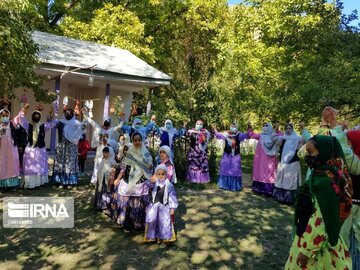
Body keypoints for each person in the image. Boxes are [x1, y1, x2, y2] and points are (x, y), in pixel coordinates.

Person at [284, 135, 352, 270]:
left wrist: (306, 250)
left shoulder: (327, 183)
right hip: (306, 237)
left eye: (311, 152)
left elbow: (322, 220)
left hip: (316, 246)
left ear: (325, 152)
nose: (307, 157)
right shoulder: (319, 174)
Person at [114, 132, 153, 231]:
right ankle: (127, 224)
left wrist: (143, 161)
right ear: (132, 141)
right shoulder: (128, 153)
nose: (137, 142)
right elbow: (123, 168)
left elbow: (150, 167)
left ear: (141, 141)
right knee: (128, 203)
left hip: (141, 182)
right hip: (128, 181)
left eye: (139, 140)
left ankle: (138, 223)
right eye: (135, 140)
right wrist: (118, 179)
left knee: (139, 203)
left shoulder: (146, 153)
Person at [14, 108, 56, 189]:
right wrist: (23, 109)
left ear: (40, 117)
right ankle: (30, 184)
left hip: (40, 149)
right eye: (35, 115)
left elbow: (52, 123)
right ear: (32, 116)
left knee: (39, 167)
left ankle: (39, 184)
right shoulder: (28, 125)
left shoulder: (43, 125)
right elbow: (21, 118)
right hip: (30, 149)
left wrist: (51, 115)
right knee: (30, 166)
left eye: (38, 115)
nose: (36, 116)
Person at [341, 130, 360, 269]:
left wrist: (334, 126)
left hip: (355, 213)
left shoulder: (356, 163)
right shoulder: (351, 162)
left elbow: (344, 151)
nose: (348, 145)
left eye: (350, 142)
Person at [144, 164, 178, 243]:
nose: (161, 176)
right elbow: (147, 184)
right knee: (152, 219)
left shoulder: (169, 185)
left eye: (163, 174)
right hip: (154, 206)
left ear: (166, 174)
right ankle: (152, 236)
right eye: (158, 174)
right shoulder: (154, 183)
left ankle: (164, 237)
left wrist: (172, 207)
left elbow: (172, 197)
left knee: (164, 221)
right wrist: (151, 180)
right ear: (156, 174)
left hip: (164, 207)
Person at [53, 108, 85, 188]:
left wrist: (78, 137)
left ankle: (70, 182)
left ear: (72, 114)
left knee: (70, 164)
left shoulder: (77, 123)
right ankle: (59, 181)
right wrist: (50, 116)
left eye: (69, 114)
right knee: (60, 163)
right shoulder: (60, 122)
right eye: (66, 113)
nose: (67, 115)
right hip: (61, 147)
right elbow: (51, 124)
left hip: (71, 147)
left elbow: (83, 131)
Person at [213, 124, 249, 191]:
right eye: (232, 126)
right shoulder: (226, 134)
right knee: (225, 167)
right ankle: (224, 185)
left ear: (237, 128)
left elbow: (246, 135)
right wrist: (215, 129)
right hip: (227, 154)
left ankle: (235, 186)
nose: (233, 128)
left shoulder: (239, 135)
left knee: (235, 169)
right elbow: (218, 135)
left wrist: (249, 130)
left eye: (234, 127)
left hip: (235, 155)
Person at [272, 123, 302, 204]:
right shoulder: (282, 138)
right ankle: (281, 197)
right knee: (282, 179)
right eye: (286, 128)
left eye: (290, 128)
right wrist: (276, 129)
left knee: (291, 180)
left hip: (293, 162)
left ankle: (291, 198)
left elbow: (305, 142)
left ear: (292, 129)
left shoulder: (298, 138)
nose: (288, 130)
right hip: (283, 162)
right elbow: (273, 138)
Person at [250, 122, 279, 196]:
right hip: (259, 158)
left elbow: (279, 139)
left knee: (268, 172)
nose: (264, 127)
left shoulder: (273, 135)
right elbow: (252, 135)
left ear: (269, 127)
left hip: (269, 158)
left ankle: (267, 190)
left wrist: (276, 129)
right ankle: (258, 189)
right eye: (263, 125)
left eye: (266, 126)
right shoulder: (261, 135)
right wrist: (250, 128)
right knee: (259, 171)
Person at [0, 109, 20, 189]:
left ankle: (12, 185)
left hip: (12, 149)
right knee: (3, 166)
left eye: (6, 116)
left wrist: (23, 108)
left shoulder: (12, 123)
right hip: (2, 150)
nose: (5, 117)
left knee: (12, 165)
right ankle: (3, 185)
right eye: (3, 116)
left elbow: (18, 122)